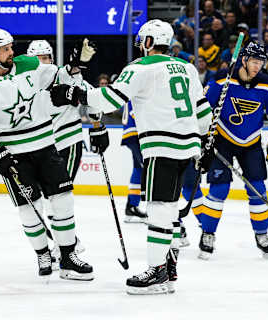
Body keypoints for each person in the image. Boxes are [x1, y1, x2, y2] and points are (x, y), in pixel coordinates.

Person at [50, 19, 213, 295]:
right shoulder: (186, 68)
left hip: (162, 147)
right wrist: (207, 142)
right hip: (188, 147)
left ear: (149, 42)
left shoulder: (139, 68)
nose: (140, 46)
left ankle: (157, 272)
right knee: (170, 210)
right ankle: (168, 268)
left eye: (142, 41)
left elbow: (109, 100)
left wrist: (75, 92)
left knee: (160, 209)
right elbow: (203, 111)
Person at [0, 28, 94, 280]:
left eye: (11, 47)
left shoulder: (28, 64)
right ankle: (42, 253)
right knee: (29, 207)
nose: (12, 53)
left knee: (63, 200)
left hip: (46, 146)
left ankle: (68, 257)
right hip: (15, 154)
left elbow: (58, 76)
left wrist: (75, 65)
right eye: (5, 49)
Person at [199, 42, 268, 260]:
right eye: (254, 62)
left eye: (261, 62)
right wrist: (204, 140)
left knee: (258, 190)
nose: (258, 67)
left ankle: (262, 235)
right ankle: (208, 233)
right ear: (244, 60)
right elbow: (202, 109)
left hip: (251, 143)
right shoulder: (222, 79)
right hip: (222, 140)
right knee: (219, 189)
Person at [25, 39, 105, 258]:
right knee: (45, 197)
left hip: (67, 142)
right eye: (37, 60)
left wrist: (98, 127)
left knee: (58, 197)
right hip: (41, 147)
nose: (42, 64)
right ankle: (69, 241)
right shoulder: (24, 85)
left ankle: (65, 247)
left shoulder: (64, 75)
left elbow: (91, 96)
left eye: (46, 58)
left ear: (52, 59)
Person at [121, 100, 147, 223]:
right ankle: (153, 210)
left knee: (138, 169)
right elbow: (136, 113)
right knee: (148, 168)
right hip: (135, 134)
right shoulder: (135, 91)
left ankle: (131, 206)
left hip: (130, 134)